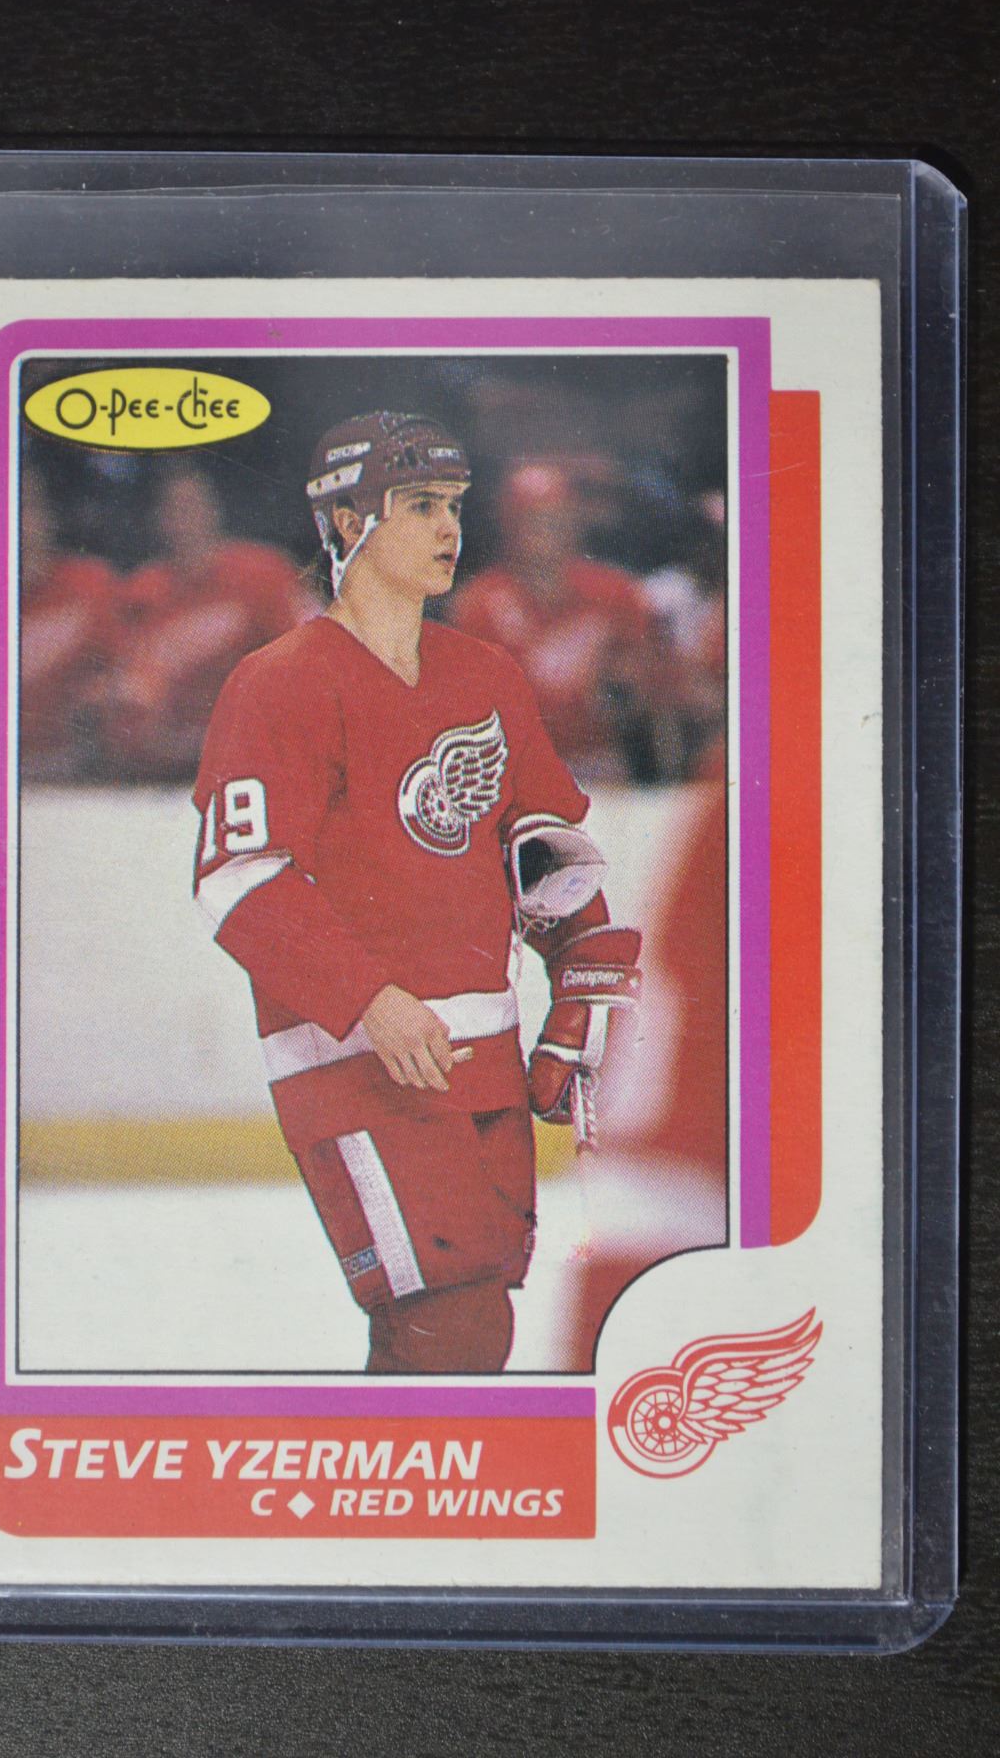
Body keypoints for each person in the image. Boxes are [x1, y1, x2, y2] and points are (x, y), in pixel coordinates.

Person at [190, 412, 641, 1374]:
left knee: (454, 1337)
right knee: (454, 1327)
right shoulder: (279, 683)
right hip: (360, 1064)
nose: (450, 528)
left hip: (486, 1059)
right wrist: (371, 1002)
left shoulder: (485, 675)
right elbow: (239, 877)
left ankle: (378, 1475)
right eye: (423, 505)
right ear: (350, 523)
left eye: (456, 507)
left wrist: (583, 978)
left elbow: (543, 850)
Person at [452, 461, 686, 781]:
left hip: (597, 764)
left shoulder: (614, 591)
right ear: (510, 527)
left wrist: (626, 686)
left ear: (575, 521)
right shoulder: (479, 603)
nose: (548, 530)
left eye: (557, 518)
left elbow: (658, 694)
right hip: (514, 768)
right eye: (533, 520)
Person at [96, 462, 314, 780]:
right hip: (168, 769)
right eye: (174, 509)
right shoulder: (143, 591)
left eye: (193, 505)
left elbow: (314, 657)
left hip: (253, 759)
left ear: (214, 509)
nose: (185, 520)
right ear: (159, 520)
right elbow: (123, 696)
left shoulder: (263, 572)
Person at [19, 464, 121, 782]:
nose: (17, 519)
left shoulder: (90, 583)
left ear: (48, 517)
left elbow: (126, 675)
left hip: (73, 774)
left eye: (27, 506)